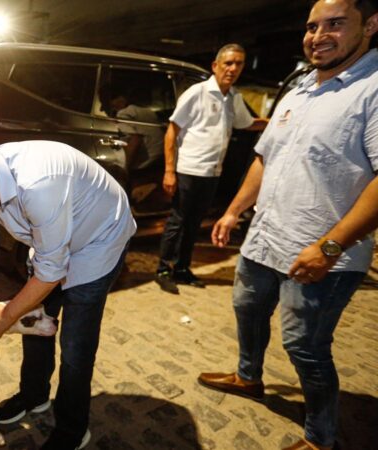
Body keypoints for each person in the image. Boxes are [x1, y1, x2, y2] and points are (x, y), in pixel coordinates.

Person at [198, 1, 378, 449]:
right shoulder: (300, 89)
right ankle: (248, 377)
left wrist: (330, 248)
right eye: (312, 26)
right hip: (266, 238)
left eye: (335, 24)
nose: (318, 36)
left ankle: (322, 437)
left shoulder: (373, 90)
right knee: (248, 310)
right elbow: (265, 156)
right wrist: (234, 210)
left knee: (304, 346)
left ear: (371, 25)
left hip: (322, 255)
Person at [0, 141, 136, 450]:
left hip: (98, 241)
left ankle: (72, 429)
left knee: (75, 347)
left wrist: (7, 314)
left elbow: (51, 272)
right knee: (36, 322)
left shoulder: (39, 184)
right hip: (52, 244)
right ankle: (34, 395)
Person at [155, 43, 269, 294]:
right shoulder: (197, 92)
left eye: (238, 63)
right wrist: (169, 171)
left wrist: (279, 121)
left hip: (212, 172)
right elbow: (172, 131)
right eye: (228, 63)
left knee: (195, 223)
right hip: (188, 169)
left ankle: (183, 268)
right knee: (178, 220)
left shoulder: (234, 97)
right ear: (215, 66)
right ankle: (164, 269)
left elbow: (246, 124)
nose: (233, 68)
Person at [99, 86, 164, 171]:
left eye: (109, 104)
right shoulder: (148, 111)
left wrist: (125, 168)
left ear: (121, 99)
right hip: (160, 159)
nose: (103, 108)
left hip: (145, 165)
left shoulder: (124, 113)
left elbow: (135, 139)